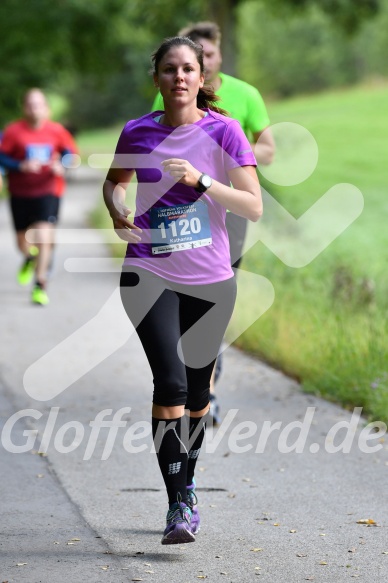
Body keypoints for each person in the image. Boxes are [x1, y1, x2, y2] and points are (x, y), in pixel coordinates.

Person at [103, 36, 262, 544]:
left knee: (197, 394)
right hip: (148, 272)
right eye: (169, 70)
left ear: (201, 78)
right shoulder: (137, 131)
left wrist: (200, 181)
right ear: (157, 79)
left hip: (211, 280)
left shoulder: (225, 132)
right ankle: (178, 504)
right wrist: (116, 206)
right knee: (169, 384)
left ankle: (186, 486)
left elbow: (252, 206)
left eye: (188, 69)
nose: (179, 77)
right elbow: (114, 181)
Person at [152, 22, 275, 423]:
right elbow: (157, 145)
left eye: (205, 55)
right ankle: (183, 381)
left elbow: (268, 149)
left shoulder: (245, 96)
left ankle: (207, 387)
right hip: (182, 211)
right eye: (180, 63)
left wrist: (226, 152)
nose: (184, 73)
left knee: (212, 296)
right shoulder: (171, 91)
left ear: (213, 59)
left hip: (229, 205)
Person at [0, 88, 78, 305]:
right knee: (21, 241)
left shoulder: (57, 131)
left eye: (39, 105)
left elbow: (69, 153)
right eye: (30, 105)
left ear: (47, 109)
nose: (35, 109)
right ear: (24, 108)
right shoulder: (14, 131)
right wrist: (20, 165)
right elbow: (2, 157)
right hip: (20, 193)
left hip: (48, 191)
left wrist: (62, 165)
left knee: (44, 236)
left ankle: (40, 284)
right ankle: (29, 257)